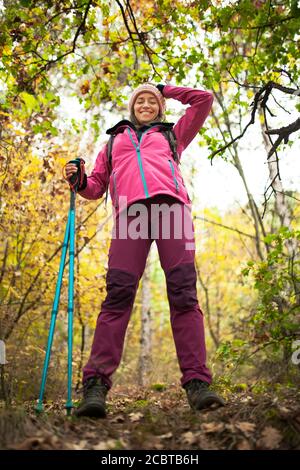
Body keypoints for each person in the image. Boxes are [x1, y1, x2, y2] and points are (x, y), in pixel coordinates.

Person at [63, 83, 225, 418]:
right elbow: (95, 187)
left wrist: (165, 88)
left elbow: (203, 99)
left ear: (161, 107)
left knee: (183, 294)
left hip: (172, 212)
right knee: (118, 295)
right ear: (132, 107)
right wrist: (78, 180)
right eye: (141, 99)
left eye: (153, 100)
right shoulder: (113, 142)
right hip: (131, 216)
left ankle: (197, 383)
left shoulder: (172, 136)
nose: (147, 103)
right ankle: (95, 387)